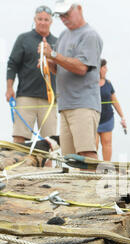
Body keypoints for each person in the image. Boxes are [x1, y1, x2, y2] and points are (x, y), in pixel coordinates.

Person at [38, 0, 103, 159]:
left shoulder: (90, 35)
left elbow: (81, 68)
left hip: (83, 104)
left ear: (79, 8)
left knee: (86, 153)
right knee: (70, 158)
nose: (64, 18)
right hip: (66, 106)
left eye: (67, 14)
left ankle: (93, 183)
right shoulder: (63, 35)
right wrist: (47, 62)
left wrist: (53, 55)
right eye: (60, 15)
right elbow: (59, 69)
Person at [6, 5, 57, 144]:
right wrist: (9, 88)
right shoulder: (23, 39)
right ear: (35, 19)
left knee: (50, 141)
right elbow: (12, 64)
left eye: (46, 19)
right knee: (19, 137)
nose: (42, 22)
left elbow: (63, 70)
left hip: (49, 99)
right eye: (39, 19)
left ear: (51, 22)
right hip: (25, 96)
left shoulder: (57, 42)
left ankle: (48, 166)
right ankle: (18, 165)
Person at [96, 59, 127, 161]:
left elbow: (115, 101)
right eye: (104, 67)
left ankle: (106, 167)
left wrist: (122, 117)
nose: (106, 69)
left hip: (107, 119)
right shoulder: (90, 83)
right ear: (99, 69)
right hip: (93, 120)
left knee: (107, 143)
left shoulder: (108, 84)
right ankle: (92, 169)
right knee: (93, 145)